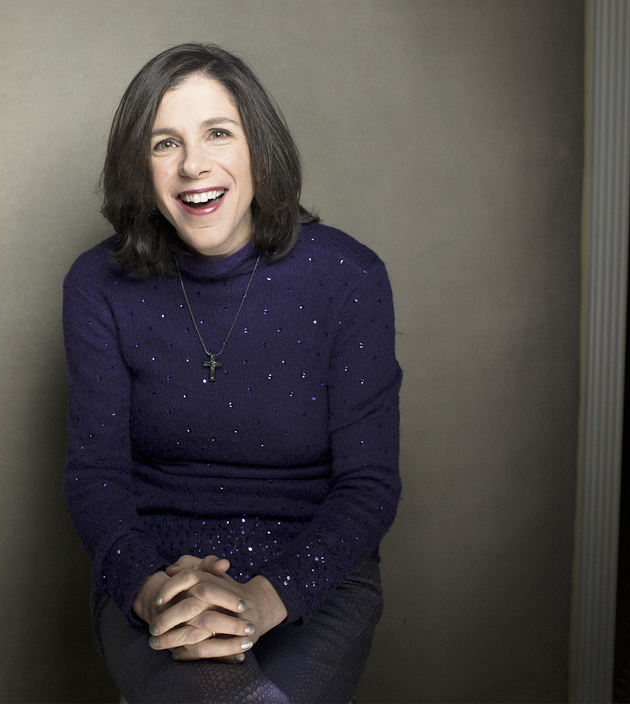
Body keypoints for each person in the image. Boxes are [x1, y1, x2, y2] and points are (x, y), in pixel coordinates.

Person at [62, 43, 401, 703]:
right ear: (139, 165)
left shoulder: (349, 278)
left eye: (218, 132)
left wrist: (261, 600)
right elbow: (95, 479)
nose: (193, 165)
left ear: (259, 149)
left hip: (313, 572)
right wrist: (157, 592)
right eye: (164, 143)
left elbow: (368, 485)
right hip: (153, 574)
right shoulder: (96, 285)